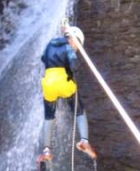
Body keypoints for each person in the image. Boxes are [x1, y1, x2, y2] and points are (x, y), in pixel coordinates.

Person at [37, 25, 97, 162]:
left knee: (49, 116)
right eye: (78, 46)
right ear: (74, 39)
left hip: (48, 84)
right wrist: (73, 67)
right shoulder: (68, 47)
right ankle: (84, 141)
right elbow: (74, 64)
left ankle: (46, 151)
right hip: (63, 82)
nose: (77, 49)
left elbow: (43, 58)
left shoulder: (49, 45)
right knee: (79, 110)